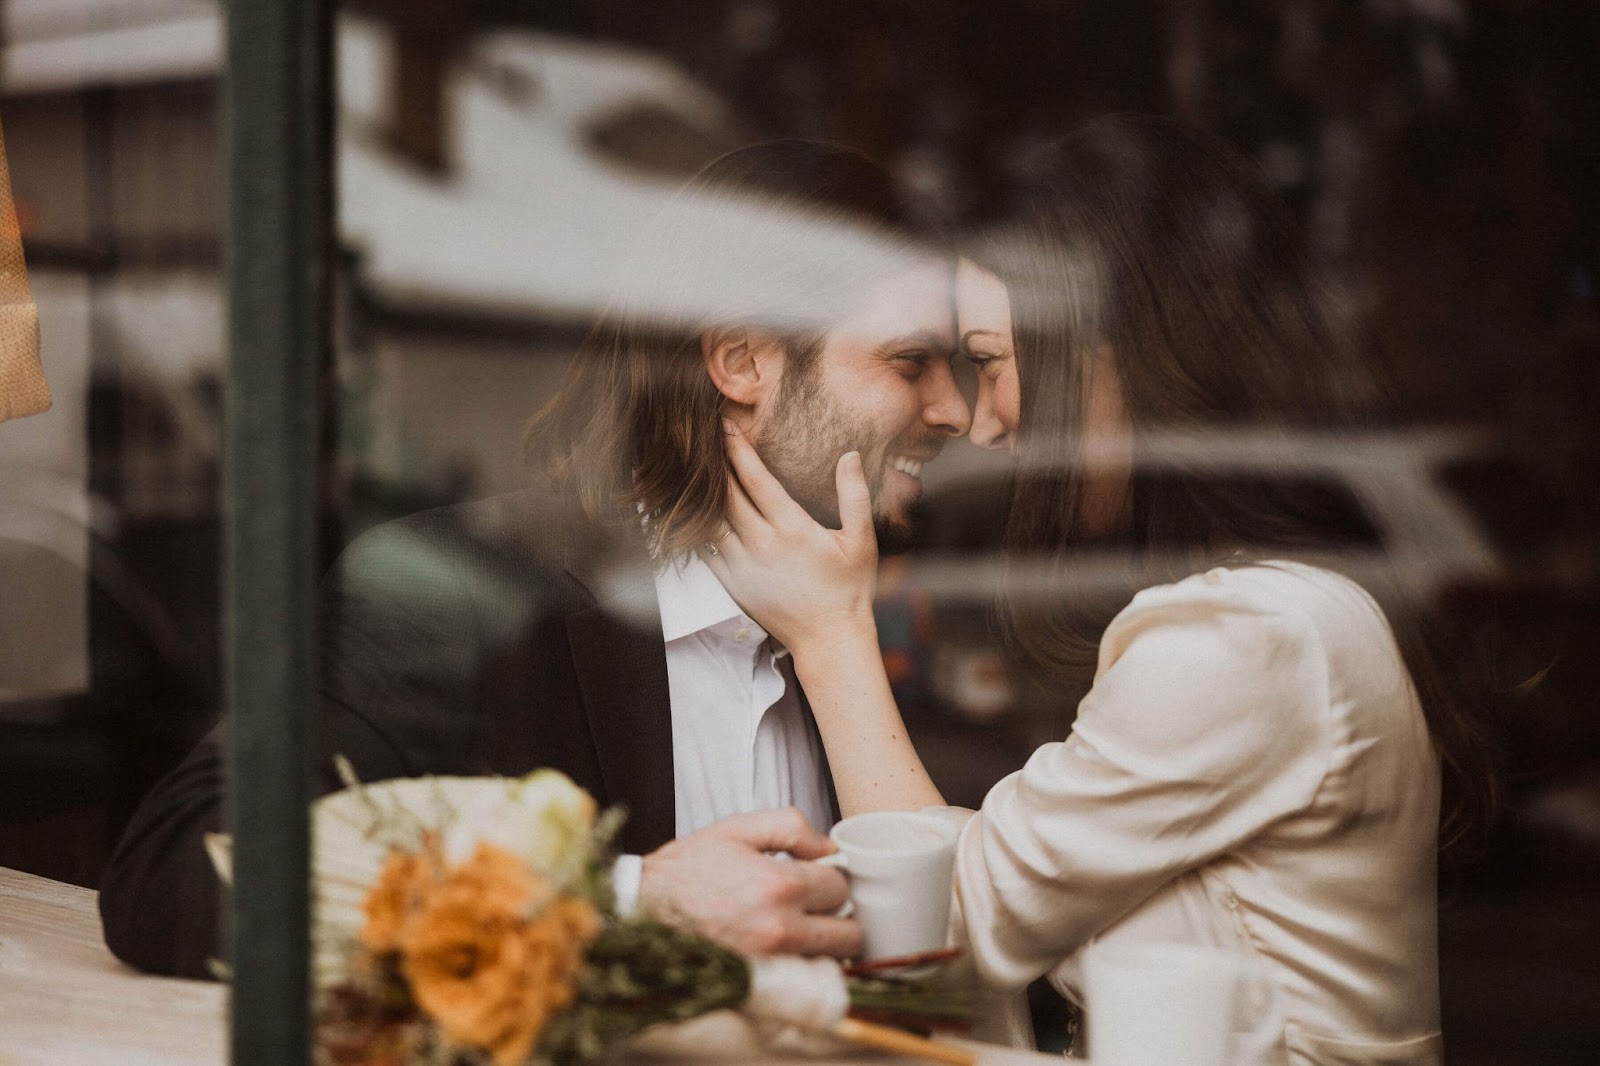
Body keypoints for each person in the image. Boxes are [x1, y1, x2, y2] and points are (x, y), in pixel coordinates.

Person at [706, 115, 1495, 1062]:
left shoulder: (1252, 638)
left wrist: (833, 636)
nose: (983, 422)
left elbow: (939, 934)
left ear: (1121, 360)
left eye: (995, 362)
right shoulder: (1283, 617)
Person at [98, 139, 971, 978]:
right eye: (912, 362)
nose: (955, 412)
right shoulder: (467, 600)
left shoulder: (863, 637)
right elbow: (178, 870)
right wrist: (627, 903)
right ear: (742, 361)